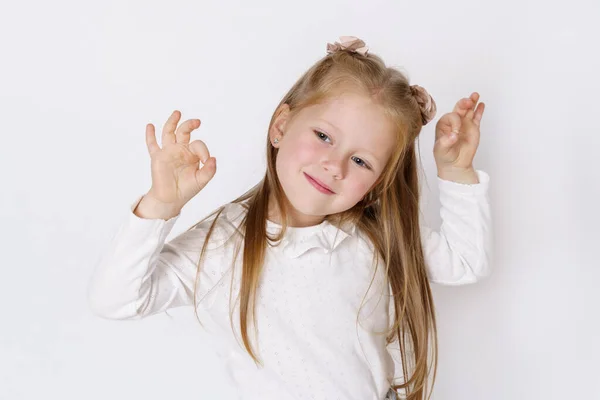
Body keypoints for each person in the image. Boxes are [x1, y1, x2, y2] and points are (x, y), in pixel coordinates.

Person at [87, 35, 492, 400]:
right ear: (281, 126)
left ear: (378, 181)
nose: (335, 165)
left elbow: (465, 263)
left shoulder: (376, 236)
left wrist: (456, 173)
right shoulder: (225, 243)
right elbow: (117, 300)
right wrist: (160, 204)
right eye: (323, 136)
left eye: (360, 160)